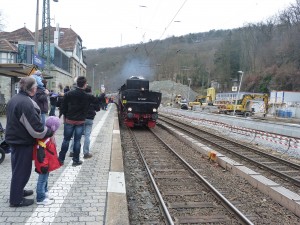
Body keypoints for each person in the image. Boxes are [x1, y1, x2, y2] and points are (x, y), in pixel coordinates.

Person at [5, 76, 53, 207]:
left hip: (14, 139)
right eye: (36, 86)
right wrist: (49, 131)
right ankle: (16, 200)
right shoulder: (25, 103)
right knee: (22, 171)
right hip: (21, 141)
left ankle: (18, 191)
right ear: (32, 89)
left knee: (17, 169)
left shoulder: (15, 98)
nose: (37, 88)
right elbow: (36, 128)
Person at [58, 76, 99, 166]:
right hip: (80, 121)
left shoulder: (69, 94)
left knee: (66, 140)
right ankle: (75, 160)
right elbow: (98, 102)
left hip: (69, 120)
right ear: (84, 85)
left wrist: (64, 116)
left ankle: (61, 159)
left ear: (77, 84)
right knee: (77, 141)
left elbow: (63, 106)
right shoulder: (88, 96)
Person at [33, 116, 61, 205]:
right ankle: (40, 198)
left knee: (45, 179)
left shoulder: (47, 136)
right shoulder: (46, 139)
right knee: (41, 180)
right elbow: (41, 153)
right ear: (53, 128)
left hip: (46, 164)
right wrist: (44, 165)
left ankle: (44, 192)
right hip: (43, 164)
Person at [69, 85, 100, 159]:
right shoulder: (92, 98)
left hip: (81, 118)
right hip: (89, 119)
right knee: (87, 136)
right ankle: (86, 153)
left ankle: (72, 152)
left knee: (77, 135)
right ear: (91, 91)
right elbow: (98, 108)